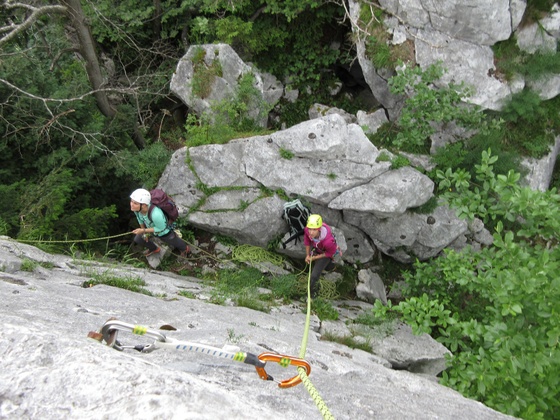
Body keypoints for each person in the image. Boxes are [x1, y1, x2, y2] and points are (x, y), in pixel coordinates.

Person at [129, 188, 190, 258]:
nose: (131, 204)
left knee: (172, 240)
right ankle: (154, 249)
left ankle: (185, 249)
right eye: (131, 201)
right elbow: (139, 218)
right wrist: (144, 232)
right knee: (138, 239)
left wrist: (144, 230)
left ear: (144, 205)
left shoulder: (156, 214)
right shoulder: (136, 209)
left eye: (135, 203)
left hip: (163, 231)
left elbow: (161, 228)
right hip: (150, 227)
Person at [303, 214, 340, 299]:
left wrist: (314, 258)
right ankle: (328, 267)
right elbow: (307, 240)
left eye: (314, 230)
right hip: (318, 248)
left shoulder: (328, 241)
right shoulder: (307, 230)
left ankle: (311, 294)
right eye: (310, 229)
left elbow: (330, 253)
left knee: (314, 276)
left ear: (319, 229)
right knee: (318, 267)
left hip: (326, 252)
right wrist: (307, 255)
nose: (311, 232)